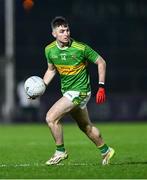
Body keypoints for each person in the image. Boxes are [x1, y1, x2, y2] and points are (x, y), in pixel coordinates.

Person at [38, 16, 115, 165]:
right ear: (54, 34)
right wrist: (42, 87)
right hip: (68, 92)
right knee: (86, 127)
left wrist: (101, 86)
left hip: (80, 91)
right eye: (61, 31)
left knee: (51, 118)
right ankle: (106, 150)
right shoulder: (49, 50)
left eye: (67, 30)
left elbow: (101, 62)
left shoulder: (81, 48)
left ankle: (60, 151)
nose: (66, 33)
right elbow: (51, 70)